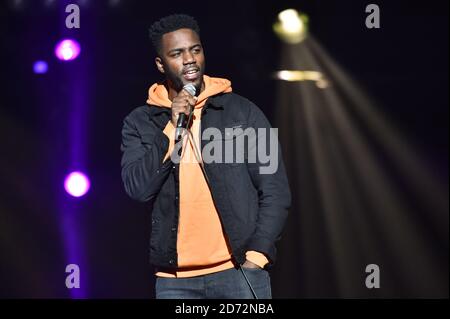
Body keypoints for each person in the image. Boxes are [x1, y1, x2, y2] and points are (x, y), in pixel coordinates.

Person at [120, 13, 291, 299]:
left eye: (195, 50)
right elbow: (138, 188)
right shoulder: (139, 122)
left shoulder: (242, 112)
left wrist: (257, 257)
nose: (189, 59)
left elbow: (275, 189)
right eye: (177, 53)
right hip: (175, 283)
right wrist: (173, 126)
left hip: (239, 273)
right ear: (161, 64)